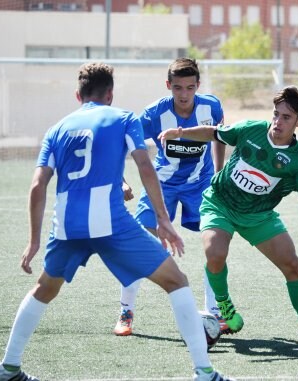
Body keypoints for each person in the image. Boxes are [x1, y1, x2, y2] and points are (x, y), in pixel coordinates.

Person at [0, 62, 233, 381]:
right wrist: (163, 218)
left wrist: (34, 240)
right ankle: (205, 372)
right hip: (111, 224)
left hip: (65, 226)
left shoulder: (57, 129)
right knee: (176, 281)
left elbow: (38, 185)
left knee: (44, 288)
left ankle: (8, 367)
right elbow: (146, 167)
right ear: (110, 94)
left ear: (78, 95)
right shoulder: (124, 118)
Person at [157, 85, 298, 350]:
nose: (277, 122)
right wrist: (179, 132)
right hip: (220, 203)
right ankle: (224, 306)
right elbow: (215, 133)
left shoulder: (297, 161)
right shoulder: (251, 129)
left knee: (292, 265)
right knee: (214, 252)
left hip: (258, 215)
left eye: (286, 117)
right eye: (276, 114)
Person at [114, 57, 228, 336]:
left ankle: (215, 313)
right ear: (169, 86)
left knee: (216, 246)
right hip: (162, 185)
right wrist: (122, 181)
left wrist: (220, 174)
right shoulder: (153, 115)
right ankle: (125, 312)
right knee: (140, 245)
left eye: (190, 88)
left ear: (198, 85)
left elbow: (220, 137)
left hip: (201, 184)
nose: (184, 94)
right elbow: (120, 147)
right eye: (178, 88)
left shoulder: (211, 106)